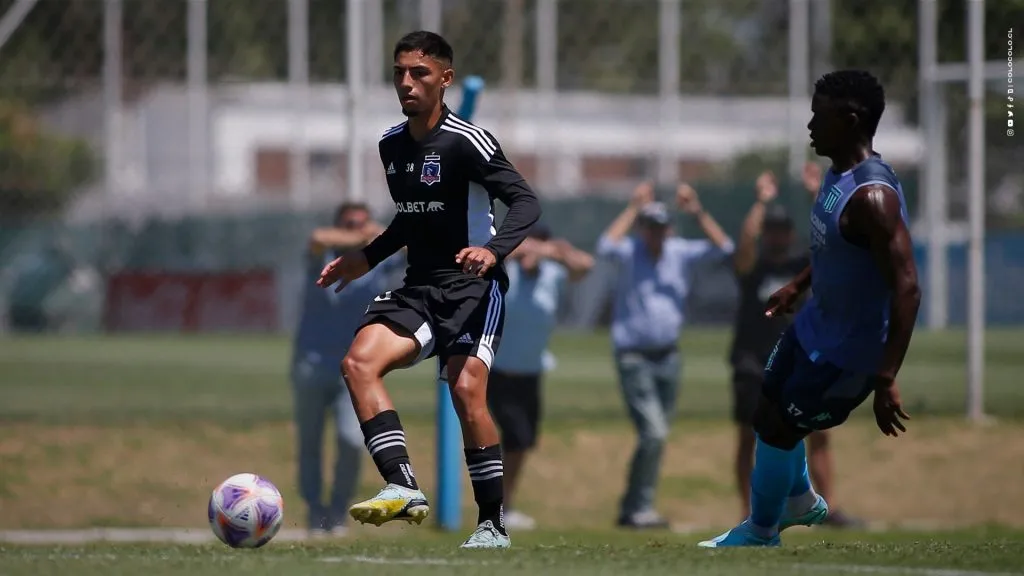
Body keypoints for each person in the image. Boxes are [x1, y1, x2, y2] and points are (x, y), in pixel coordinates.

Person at [316, 30, 541, 550]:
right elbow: (410, 220)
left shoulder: (468, 141)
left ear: (445, 78)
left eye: (419, 73)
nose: (406, 82)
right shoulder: (391, 144)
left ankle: (492, 524)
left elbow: (525, 202)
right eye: (398, 72)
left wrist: (494, 250)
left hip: (473, 287)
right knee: (357, 364)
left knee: (466, 392)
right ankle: (402, 485)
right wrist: (365, 258)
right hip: (418, 287)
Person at [699, 69, 921, 548]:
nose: (810, 125)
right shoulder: (835, 173)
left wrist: (885, 378)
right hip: (812, 328)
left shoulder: (874, 197)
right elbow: (837, 251)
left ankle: (761, 532)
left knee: (780, 431)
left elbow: (907, 288)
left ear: (851, 118)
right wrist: (798, 286)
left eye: (819, 115)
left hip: (847, 355)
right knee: (765, 412)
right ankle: (800, 502)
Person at [728, 171, 864, 529]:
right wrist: (761, 201)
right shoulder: (751, 268)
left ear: (789, 233)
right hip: (752, 363)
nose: (775, 236)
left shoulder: (799, 268)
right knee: (748, 438)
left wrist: (817, 195)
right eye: (770, 230)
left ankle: (829, 508)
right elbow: (743, 242)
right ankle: (749, 511)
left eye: (781, 230)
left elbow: (834, 242)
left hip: (797, 362)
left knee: (818, 433)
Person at [597, 181, 734, 529]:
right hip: (633, 356)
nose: (655, 235)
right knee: (654, 433)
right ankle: (639, 507)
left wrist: (697, 211)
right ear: (642, 229)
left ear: (669, 229)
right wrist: (632, 207)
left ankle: (634, 507)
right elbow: (604, 245)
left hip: (668, 357)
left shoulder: (680, 252)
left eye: (660, 228)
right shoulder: (629, 253)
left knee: (655, 436)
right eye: (650, 227)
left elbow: (726, 247)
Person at [290, 202, 403, 537]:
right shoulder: (321, 255)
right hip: (311, 363)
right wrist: (364, 235)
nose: (356, 230)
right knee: (310, 442)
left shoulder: (377, 260)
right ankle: (315, 510)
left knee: (351, 439)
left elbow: (411, 243)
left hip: (354, 367)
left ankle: (338, 508)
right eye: (349, 224)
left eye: (361, 224)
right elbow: (317, 236)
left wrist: (379, 235)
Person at [486, 222, 594, 531]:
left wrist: (559, 251)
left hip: (531, 372)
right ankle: (495, 507)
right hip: (496, 369)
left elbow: (586, 265)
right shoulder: (503, 270)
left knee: (521, 443)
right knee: (508, 436)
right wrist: (523, 248)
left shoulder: (553, 275)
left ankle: (506, 506)